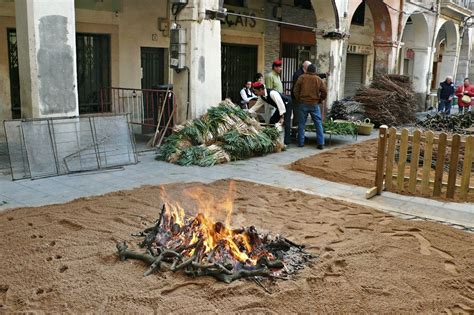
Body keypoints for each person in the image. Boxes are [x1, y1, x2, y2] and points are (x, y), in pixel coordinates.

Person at [293, 64, 327, 149]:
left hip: (303, 103)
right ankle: (320, 143)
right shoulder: (318, 79)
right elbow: (324, 91)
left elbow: (295, 90)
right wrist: (320, 99)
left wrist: (299, 99)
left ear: (307, 70)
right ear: (315, 71)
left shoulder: (301, 77)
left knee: (301, 124)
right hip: (314, 104)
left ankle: (300, 142)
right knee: (318, 123)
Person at [249, 81, 292, 145]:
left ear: (261, 89)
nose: (255, 93)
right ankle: (272, 138)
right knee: (272, 120)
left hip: (286, 104)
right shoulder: (262, 96)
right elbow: (256, 106)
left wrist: (282, 117)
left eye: (256, 91)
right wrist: (248, 112)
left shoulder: (272, 93)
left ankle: (286, 142)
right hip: (279, 107)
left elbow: (280, 104)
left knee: (286, 122)